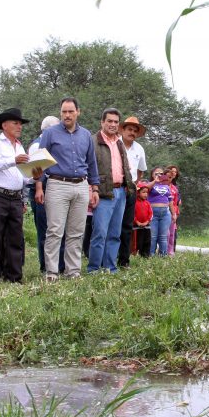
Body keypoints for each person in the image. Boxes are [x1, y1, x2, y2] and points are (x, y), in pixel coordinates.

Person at [35, 97, 100, 281]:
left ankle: (73, 271)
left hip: (81, 185)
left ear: (78, 112)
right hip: (56, 184)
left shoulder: (86, 135)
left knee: (76, 231)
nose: (67, 115)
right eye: (64, 111)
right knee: (55, 230)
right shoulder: (50, 133)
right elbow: (39, 161)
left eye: (71, 111)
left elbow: (91, 163)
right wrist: (39, 186)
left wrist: (94, 188)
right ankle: (52, 272)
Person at [0, 108, 40, 284]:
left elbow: (21, 176)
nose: (19, 126)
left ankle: (14, 276)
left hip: (15, 197)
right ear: (4, 125)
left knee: (15, 238)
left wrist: (33, 177)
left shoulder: (19, 146)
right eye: (15, 123)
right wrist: (13, 161)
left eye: (20, 124)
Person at [88, 108, 130, 273]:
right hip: (103, 192)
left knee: (115, 234)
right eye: (109, 121)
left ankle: (110, 268)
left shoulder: (119, 142)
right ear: (102, 122)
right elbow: (88, 168)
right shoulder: (93, 141)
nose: (113, 124)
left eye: (115, 122)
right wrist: (92, 190)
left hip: (120, 192)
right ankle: (93, 269)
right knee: (99, 234)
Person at [27, 115, 65, 274]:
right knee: (45, 230)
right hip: (41, 187)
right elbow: (35, 171)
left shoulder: (53, 144)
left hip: (56, 187)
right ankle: (46, 266)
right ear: (49, 129)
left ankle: (60, 265)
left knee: (58, 228)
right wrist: (39, 189)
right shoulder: (37, 146)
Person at [118, 116, 147, 268]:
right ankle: (108, 258)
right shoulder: (115, 144)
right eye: (129, 129)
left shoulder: (139, 149)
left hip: (130, 190)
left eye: (135, 131)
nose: (132, 132)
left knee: (127, 225)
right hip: (115, 187)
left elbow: (141, 170)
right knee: (112, 225)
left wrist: (134, 184)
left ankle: (124, 260)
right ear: (122, 130)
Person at [144, 167, 175, 256]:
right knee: (153, 236)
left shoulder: (166, 186)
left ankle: (163, 255)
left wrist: (173, 214)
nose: (159, 175)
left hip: (165, 213)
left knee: (163, 236)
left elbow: (170, 201)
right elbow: (146, 188)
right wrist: (155, 181)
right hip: (153, 212)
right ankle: (151, 255)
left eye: (161, 174)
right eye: (156, 173)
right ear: (152, 174)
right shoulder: (150, 184)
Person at [133, 182, 152, 258]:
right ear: (138, 192)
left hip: (146, 227)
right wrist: (137, 222)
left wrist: (146, 222)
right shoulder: (134, 203)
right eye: (143, 192)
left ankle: (145, 256)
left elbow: (151, 214)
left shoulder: (147, 203)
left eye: (146, 192)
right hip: (136, 227)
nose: (145, 194)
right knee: (138, 242)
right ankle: (135, 254)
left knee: (147, 241)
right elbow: (132, 214)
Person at [166, 165, 182, 255]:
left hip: (173, 211)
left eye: (175, 172)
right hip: (163, 210)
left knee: (172, 233)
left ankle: (171, 251)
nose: (173, 173)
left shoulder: (175, 187)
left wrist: (174, 213)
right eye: (171, 171)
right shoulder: (162, 185)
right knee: (165, 233)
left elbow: (177, 201)